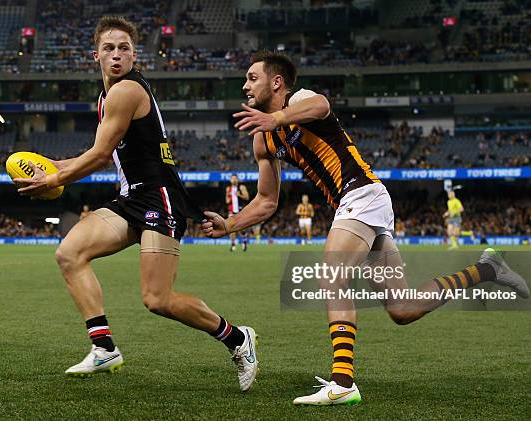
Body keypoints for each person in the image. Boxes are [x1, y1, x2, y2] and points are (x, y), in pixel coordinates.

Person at [202, 51, 529, 406]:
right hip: (361, 203)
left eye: (252, 77)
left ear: (276, 82)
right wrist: (231, 224)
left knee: (332, 273)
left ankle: (343, 383)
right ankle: (488, 268)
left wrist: (275, 117)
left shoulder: (298, 101)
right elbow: (267, 200)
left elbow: (322, 106)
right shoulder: (263, 139)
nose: (245, 84)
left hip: (362, 192)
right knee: (403, 309)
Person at [14, 16, 258, 392]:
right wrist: (53, 168)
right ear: (95, 54)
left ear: (133, 54)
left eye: (124, 48)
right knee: (69, 254)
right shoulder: (106, 97)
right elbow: (97, 152)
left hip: (160, 200)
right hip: (131, 199)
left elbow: (98, 158)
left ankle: (238, 338)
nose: (116, 54)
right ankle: (104, 348)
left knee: (157, 299)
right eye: (109, 48)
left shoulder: (126, 91)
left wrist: (53, 179)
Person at [225, 174, 249, 251]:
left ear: (237, 179)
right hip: (232, 210)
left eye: (235, 178)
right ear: (230, 180)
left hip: (240, 210)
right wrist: (229, 196)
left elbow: (247, 197)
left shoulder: (242, 187)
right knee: (231, 228)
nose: (234, 180)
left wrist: (239, 195)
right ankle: (233, 244)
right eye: (232, 179)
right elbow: (227, 201)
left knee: (242, 228)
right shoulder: (228, 189)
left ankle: (244, 242)